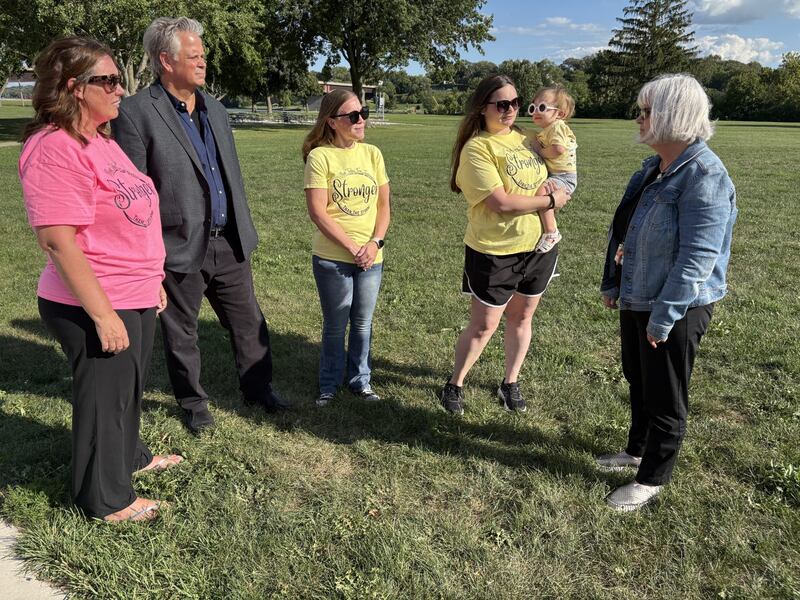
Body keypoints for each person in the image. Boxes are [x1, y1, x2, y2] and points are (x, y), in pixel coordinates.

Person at [19, 37, 182, 522]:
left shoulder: (102, 140)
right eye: (108, 81)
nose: (120, 89)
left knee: (125, 390)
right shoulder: (54, 147)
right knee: (102, 398)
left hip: (130, 290)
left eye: (119, 79)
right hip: (92, 298)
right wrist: (103, 312)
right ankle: (106, 499)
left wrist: (150, 276)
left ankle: (130, 458)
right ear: (74, 88)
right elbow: (58, 241)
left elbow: (131, 215)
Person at [113, 17, 285, 434]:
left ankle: (258, 390)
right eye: (194, 56)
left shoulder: (216, 109)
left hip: (228, 240)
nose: (203, 62)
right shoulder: (136, 113)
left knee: (248, 322)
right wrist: (148, 257)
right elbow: (132, 195)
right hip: (176, 244)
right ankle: (193, 403)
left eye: (203, 55)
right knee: (181, 332)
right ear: (165, 61)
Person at [598, 74, 737, 511]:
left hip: (678, 304)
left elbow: (697, 258)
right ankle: (636, 450)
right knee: (637, 377)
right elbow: (624, 230)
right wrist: (614, 283)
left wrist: (664, 315)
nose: (638, 118)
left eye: (646, 111)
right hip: (640, 292)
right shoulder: (652, 168)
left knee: (665, 391)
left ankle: (652, 477)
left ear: (673, 116)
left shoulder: (704, 174)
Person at [440, 75, 571, 416]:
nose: (511, 109)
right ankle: (455, 383)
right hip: (494, 250)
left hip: (538, 248)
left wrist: (559, 194)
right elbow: (501, 203)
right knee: (484, 325)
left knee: (523, 318)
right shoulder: (478, 148)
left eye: (515, 102)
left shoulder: (528, 139)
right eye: (502, 104)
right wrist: (551, 202)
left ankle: (510, 382)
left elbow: (560, 167)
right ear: (483, 108)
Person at [302, 90, 391, 407]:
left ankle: (360, 382)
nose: (361, 120)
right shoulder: (320, 156)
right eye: (353, 116)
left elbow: (384, 206)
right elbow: (318, 212)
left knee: (364, 324)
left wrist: (374, 243)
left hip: (371, 258)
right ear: (332, 122)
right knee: (336, 325)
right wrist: (354, 247)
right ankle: (328, 384)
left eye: (363, 112)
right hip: (333, 259)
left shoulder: (373, 154)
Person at [526, 85, 578, 253]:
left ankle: (551, 232)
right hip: (558, 173)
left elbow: (558, 149)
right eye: (533, 107)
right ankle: (548, 225)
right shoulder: (549, 129)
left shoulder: (556, 127)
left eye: (542, 108)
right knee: (544, 195)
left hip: (564, 177)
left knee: (542, 192)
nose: (535, 111)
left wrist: (540, 152)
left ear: (560, 114)